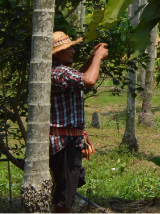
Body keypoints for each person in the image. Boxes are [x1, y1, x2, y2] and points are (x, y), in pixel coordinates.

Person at [50, 31, 108, 213]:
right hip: (64, 144)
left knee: (66, 192)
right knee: (64, 197)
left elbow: (78, 76)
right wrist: (98, 57)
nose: (73, 51)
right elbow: (89, 80)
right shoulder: (59, 72)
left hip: (67, 143)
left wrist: (91, 58)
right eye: (69, 49)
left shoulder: (59, 72)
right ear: (58, 53)